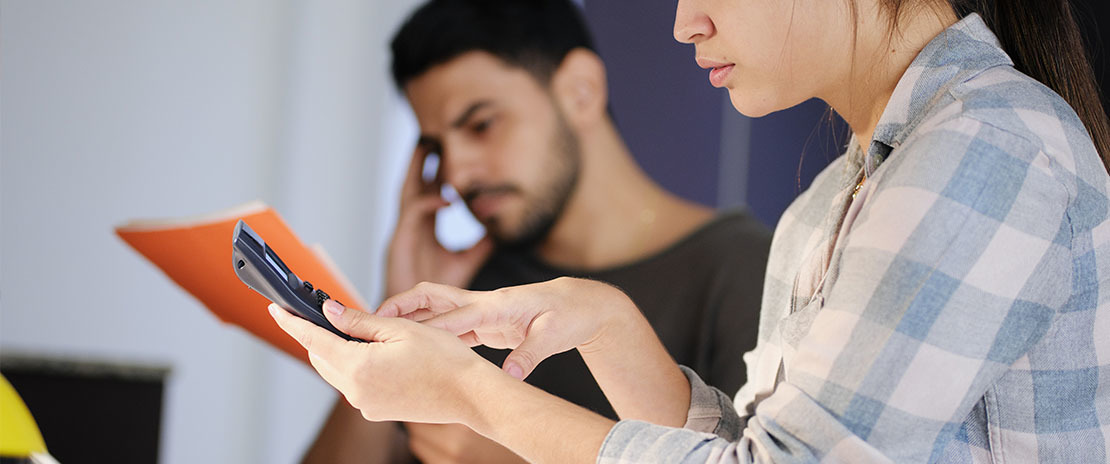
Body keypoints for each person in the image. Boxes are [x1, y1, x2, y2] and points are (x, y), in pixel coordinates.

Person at [275, 0, 1110, 461]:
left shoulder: (989, 148)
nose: (684, 23)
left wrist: (469, 393)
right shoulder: (831, 201)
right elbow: (759, 447)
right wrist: (607, 323)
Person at [300, 1, 772, 462]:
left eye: (482, 124)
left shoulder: (741, 270)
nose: (457, 173)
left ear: (580, 92)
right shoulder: (467, 289)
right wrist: (393, 314)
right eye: (436, 147)